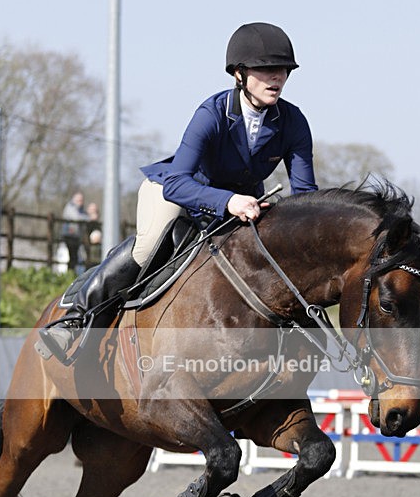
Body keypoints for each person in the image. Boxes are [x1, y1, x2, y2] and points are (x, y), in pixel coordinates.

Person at [38, 22, 318, 363]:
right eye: (267, 70)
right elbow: (176, 182)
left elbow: (305, 197)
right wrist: (228, 200)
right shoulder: (211, 114)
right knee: (149, 247)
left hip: (239, 206)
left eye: (283, 70)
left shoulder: (293, 121)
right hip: (177, 193)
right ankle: (76, 319)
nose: (277, 78)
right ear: (240, 74)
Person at [60, 192, 89, 272]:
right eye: (79, 200)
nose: (81, 202)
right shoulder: (70, 207)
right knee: (71, 256)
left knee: (75, 257)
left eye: (82, 200)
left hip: (76, 237)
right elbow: (77, 217)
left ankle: (71, 274)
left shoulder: (81, 209)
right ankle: (69, 273)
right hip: (69, 236)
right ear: (74, 200)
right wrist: (87, 218)